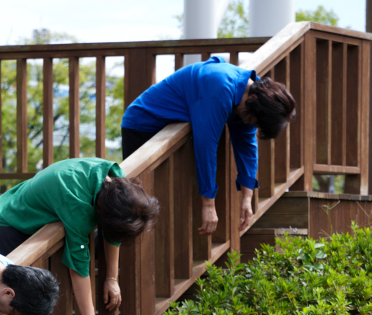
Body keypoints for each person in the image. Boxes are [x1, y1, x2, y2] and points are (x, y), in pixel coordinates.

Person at [0, 158, 159, 315]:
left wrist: (112, 278)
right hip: (13, 225)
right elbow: (78, 267)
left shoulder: (116, 181)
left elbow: (113, 234)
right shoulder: (77, 206)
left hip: (43, 224)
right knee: (12, 305)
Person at [121, 55, 296, 236]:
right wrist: (208, 204)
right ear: (252, 98)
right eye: (249, 118)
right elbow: (206, 146)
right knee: (136, 203)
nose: (246, 121)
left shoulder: (251, 98)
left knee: (159, 204)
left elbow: (247, 146)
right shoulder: (221, 87)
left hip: (170, 132)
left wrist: (247, 197)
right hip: (143, 127)